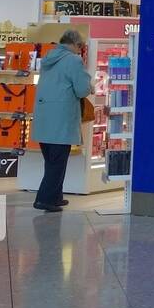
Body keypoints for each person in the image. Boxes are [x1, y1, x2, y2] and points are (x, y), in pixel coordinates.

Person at [30, 30, 94, 213]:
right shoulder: (74, 60)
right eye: (80, 47)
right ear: (74, 44)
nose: (80, 50)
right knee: (57, 163)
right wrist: (90, 85)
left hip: (44, 117)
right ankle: (44, 200)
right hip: (61, 118)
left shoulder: (49, 57)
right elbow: (82, 90)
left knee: (51, 161)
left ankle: (55, 197)